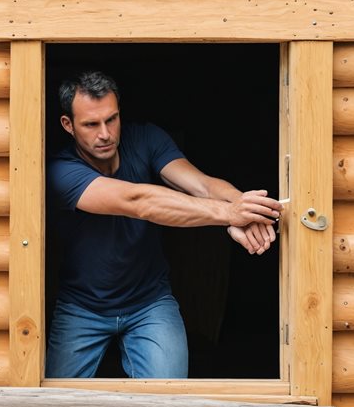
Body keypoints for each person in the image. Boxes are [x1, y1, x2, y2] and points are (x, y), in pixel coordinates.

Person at [45, 70, 283, 379]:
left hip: (149, 304)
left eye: (112, 119)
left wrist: (244, 205)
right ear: (68, 125)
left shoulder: (145, 138)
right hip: (82, 307)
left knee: (171, 404)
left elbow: (202, 184)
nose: (105, 133)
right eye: (91, 124)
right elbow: (138, 202)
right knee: (53, 405)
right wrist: (229, 214)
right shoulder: (61, 170)